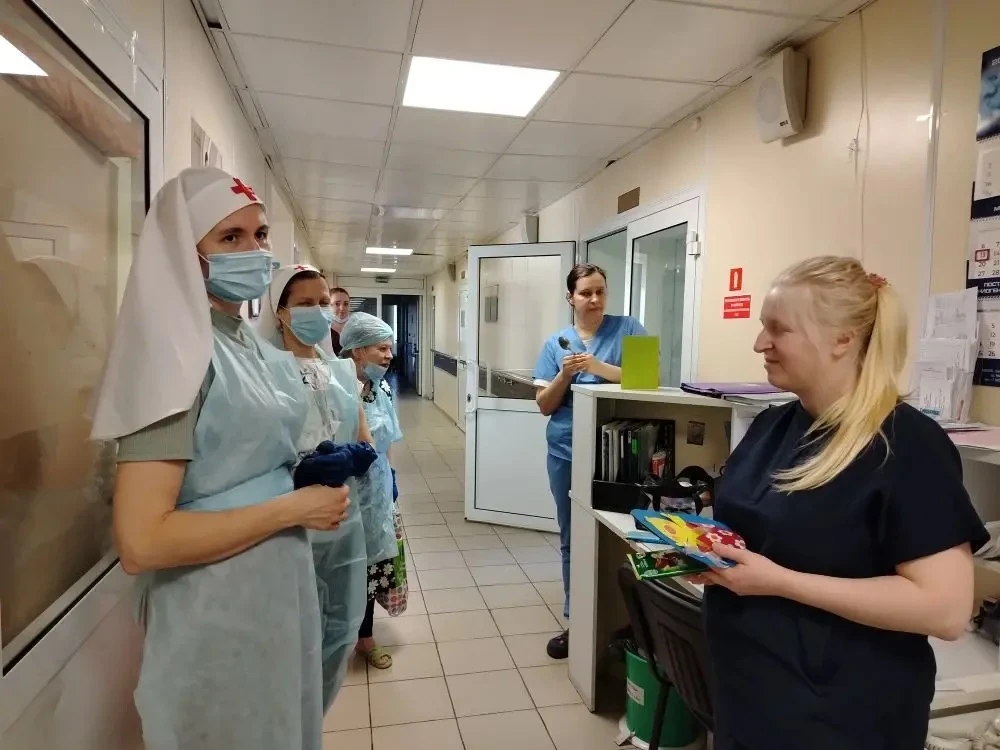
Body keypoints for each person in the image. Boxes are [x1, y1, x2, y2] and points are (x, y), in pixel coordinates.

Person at [90, 167, 350, 750]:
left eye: (259, 235)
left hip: (268, 599)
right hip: (215, 610)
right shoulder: (172, 354)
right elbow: (142, 542)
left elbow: (232, 456)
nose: (253, 251)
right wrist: (290, 509)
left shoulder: (239, 341)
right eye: (230, 238)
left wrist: (298, 476)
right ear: (186, 252)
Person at [701, 256, 988, 750]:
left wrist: (780, 582)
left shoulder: (906, 446)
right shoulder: (773, 425)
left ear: (843, 339)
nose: (760, 343)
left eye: (779, 329)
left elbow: (944, 610)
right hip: (748, 697)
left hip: (839, 717)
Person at [259, 264, 371, 709]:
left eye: (324, 302)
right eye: (305, 303)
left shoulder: (341, 371)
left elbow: (364, 439)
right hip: (287, 518)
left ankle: (315, 716)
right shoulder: (263, 370)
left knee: (339, 623)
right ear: (280, 311)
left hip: (343, 514)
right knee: (292, 627)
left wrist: (354, 456)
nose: (319, 311)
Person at [533, 263, 646, 659]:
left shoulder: (629, 328)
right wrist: (566, 375)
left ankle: (630, 621)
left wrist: (595, 366)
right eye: (585, 293)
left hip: (622, 453)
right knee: (573, 536)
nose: (595, 299)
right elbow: (544, 405)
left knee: (627, 536)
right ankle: (576, 620)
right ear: (571, 298)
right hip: (567, 451)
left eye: (600, 291)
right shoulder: (555, 344)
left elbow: (646, 378)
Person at [339, 312, 402, 670]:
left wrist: (390, 477)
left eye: (390, 348)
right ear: (358, 350)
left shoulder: (382, 389)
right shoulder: (337, 389)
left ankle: (365, 638)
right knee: (342, 568)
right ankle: (335, 638)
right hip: (344, 493)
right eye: (381, 348)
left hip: (376, 492)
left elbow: (388, 439)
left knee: (371, 567)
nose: (389, 355)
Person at [320, 286, 351, 356]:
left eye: (346, 304)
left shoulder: (355, 327)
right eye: (337, 304)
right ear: (328, 305)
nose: (342, 308)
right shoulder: (321, 329)